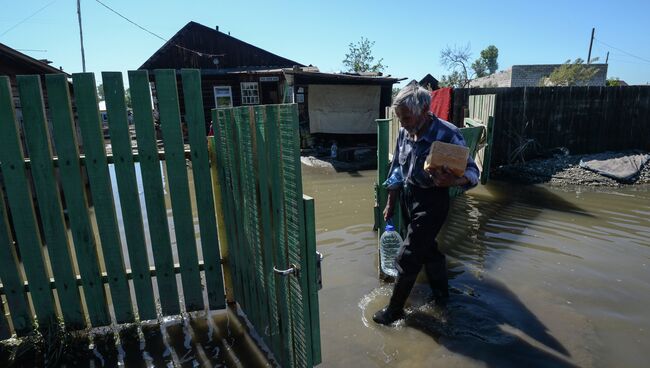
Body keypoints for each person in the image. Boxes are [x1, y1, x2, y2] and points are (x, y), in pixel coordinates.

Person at [373, 81, 480, 325]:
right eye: (400, 119)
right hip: (410, 196)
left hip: (433, 200)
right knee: (428, 249)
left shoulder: (448, 134)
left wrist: (452, 181)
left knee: (408, 255)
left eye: (407, 118)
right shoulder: (405, 131)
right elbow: (398, 168)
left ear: (424, 110)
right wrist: (392, 200)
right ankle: (442, 295)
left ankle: (395, 310)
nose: (403, 124)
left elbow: (474, 175)